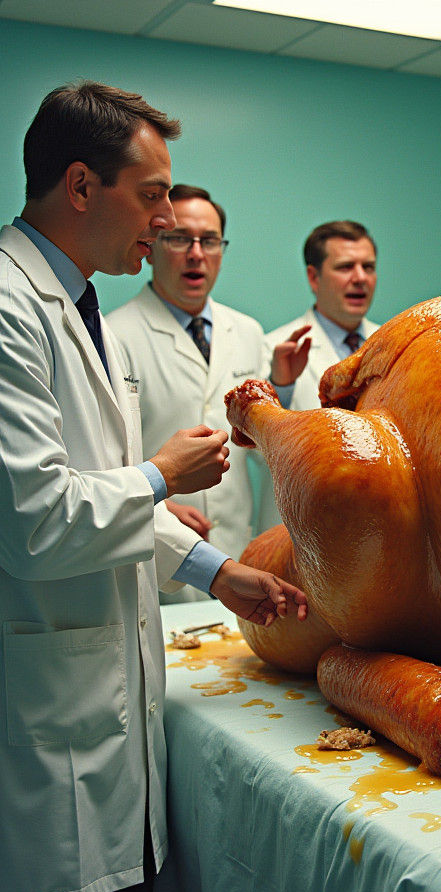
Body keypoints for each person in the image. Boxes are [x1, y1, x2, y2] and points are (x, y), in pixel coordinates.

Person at [0, 81, 307, 892]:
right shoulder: (11, 308)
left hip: (109, 711)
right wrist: (161, 475)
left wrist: (219, 574)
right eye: (154, 195)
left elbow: (106, 500)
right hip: (47, 717)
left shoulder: (77, 304)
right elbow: (39, 519)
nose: (170, 221)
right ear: (82, 186)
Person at [107, 184, 306, 601]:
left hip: (236, 552)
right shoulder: (114, 335)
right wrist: (155, 503)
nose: (196, 252)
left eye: (209, 240)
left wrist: (282, 388)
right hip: (157, 561)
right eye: (180, 238)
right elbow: (107, 458)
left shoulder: (248, 332)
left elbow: (255, 448)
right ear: (152, 245)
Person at [257, 219, 379, 529]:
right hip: (302, 531)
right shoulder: (272, 347)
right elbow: (256, 452)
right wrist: (281, 385)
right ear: (314, 277)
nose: (360, 278)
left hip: (378, 526)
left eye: (368, 266)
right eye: (345, 267)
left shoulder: (392, 346)